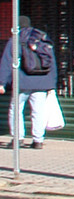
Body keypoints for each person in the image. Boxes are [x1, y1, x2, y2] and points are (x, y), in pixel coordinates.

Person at [2, 21, 60, 150]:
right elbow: (52, 63)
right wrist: (51, 84)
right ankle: (38, 140)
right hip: (41, 82)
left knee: (16, 110)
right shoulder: (42, 38)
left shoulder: (16, 39)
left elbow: (7, 62)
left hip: (22, 82)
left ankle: (18, 139)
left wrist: (2, 82)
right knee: (38, 111)